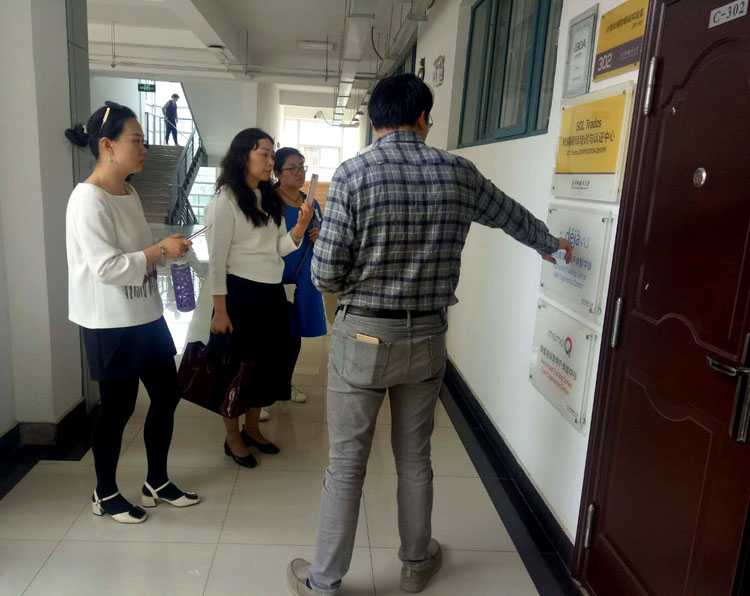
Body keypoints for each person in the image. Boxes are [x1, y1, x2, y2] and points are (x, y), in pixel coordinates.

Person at [286, 74, 573, 594]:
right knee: (415, 458)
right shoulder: (458, 172)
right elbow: (509, 215)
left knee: (346, 466)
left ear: (375, 120)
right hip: (428, 338)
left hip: (363, 338)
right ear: (422, 119)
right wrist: (550, 244)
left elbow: (325, 275)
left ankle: (325, 582)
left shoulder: (353, 174)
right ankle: (416, 564)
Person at [65, 101, 200, 525]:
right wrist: (158, 250)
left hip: (146, 314)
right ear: (107, 145)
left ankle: (156, 480)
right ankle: (104, 492)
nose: (144, 149)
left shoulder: (129, 191)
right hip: (110, 321)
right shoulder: (88, 199)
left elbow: (139, 253)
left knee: (167, 395)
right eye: (136, 141)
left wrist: (167, 251)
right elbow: (106, 268)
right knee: (117, 408)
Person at [206, 128, 313, 469]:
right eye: (264, 154)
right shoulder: (225, 200)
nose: (270, 161)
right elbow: (216, 261)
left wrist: (298, 230)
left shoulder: (268, 197)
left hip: (271, 293)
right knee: (236, 370)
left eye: (271, 154)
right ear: (243, 156)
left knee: (264, 368)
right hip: (239, 295)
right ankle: (232, 437)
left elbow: (277, 248)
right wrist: (220, 311)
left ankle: (252, 429)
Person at [275, 148, 328, 404]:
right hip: (274, 276)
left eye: (302, 167)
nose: (299, 173)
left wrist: (320, 235)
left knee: (293, 335)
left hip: (302, 278)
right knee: (270, 335)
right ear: (277, 173)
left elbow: (322, 232)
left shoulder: (311, 203)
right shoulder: (269, 202)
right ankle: (262, 394)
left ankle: (284, 383)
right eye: (292, 168)